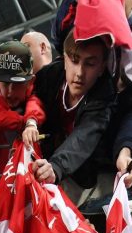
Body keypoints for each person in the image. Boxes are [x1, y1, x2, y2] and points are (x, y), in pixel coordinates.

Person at [32, 31, 115, 201]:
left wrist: (55, 167)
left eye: (90, 64)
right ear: (64, 58)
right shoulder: (49, 76)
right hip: (46, 163)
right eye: (74, 61)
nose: (79, 72)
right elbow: (23, 95)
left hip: (89, 180)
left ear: (102, 67)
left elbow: (84, 137)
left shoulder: (104, 95)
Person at [0, 40, 45, 172]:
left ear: (30, 82)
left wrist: (31, 123)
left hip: (33, 174)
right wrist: (26, 124)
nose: (10, 92)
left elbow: (35, 105)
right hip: (5, 176)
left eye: (17, 85)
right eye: (5, 84)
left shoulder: (33, 95)